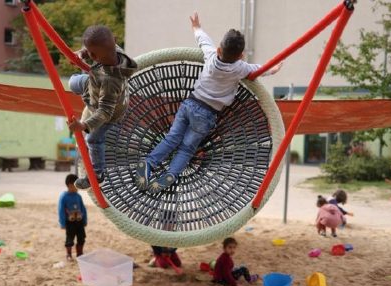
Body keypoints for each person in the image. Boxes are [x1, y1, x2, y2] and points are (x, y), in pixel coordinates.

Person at [136, 12, 282, 194]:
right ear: (241, 55)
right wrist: (276, 67)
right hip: (206, 115)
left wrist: (196, 27)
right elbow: (262, 70)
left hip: (189, 104)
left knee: (171, 138)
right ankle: (171, 174)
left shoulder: (211, 56)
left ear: (219, 49)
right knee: (187, 149)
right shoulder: (240, 68)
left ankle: (149, 163)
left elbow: (203, 40)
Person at [67, 25, 138, 190]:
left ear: (94, 55)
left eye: (89, 53)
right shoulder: (116, 50)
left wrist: (84, 126)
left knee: (92, 139)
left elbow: (105, 112)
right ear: (114, 40)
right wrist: (82, 53)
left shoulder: (110, 80)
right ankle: (87, 95)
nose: (88, 55)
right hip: (96, 86)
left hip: (110, 113)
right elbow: (92, 49)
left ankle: (98, 174)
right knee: (73, 82)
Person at [58, 174, 88, 260]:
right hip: (70, 223)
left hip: (79, 222)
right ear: (70, 185)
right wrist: (63, 223)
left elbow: (83, 209)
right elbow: (61, 211)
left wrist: (84, 220)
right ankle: (69, 254)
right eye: (76, 186)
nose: (78, 188)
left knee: (81, 238)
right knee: (70, 239)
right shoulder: (64, 197)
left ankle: (80, 253)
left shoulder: (78, 196)